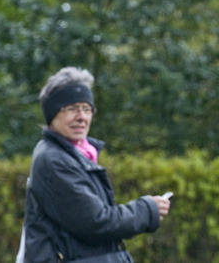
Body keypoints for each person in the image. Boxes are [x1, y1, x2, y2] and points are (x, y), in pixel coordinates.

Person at [18, 66, 171, 263]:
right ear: (52, 114)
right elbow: (95, 222)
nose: (81, 117)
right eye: (71, 109)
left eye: (86, 109)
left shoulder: (76, 154)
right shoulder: (54, 160)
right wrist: (147, 209)